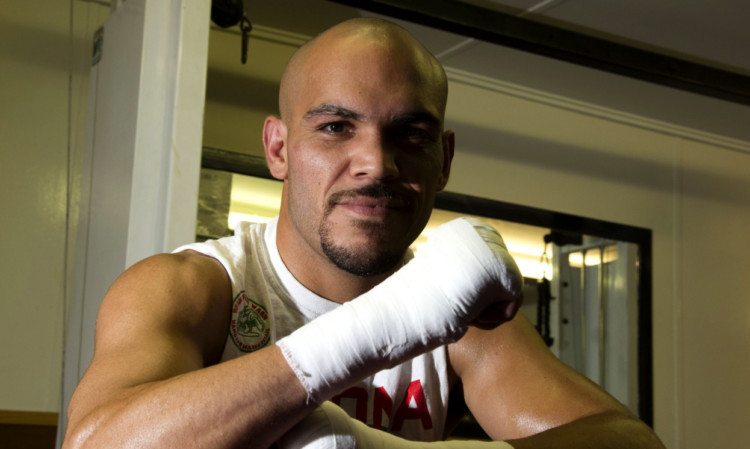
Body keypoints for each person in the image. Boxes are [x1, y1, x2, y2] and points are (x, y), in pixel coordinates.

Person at [62, 18, 664, 449]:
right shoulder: (193, 286)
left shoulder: (460, 321)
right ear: (278, 149)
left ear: (444, 160)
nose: (376, 163)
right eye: (335, 127)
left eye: (410, 134)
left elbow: (628, 443)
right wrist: (386, 324)